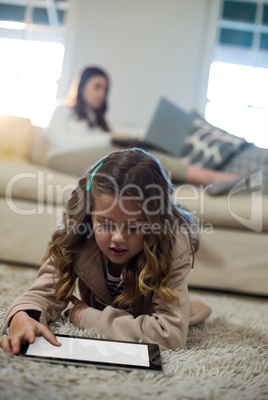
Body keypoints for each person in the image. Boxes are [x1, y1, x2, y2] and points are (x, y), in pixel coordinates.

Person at [0, 148, 211, 354]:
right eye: (106, 223)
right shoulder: (78, 235)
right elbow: (42, 293)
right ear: (89, 215)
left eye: (135, 227)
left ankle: (190, 308)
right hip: (121, 314)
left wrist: (86, 317)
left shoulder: (172, 247)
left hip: (146, 314)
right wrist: (22, 316)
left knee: (182, 313)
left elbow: (170, 336)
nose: (118, 238)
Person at [45, 65, 242, 187]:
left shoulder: (99, 123)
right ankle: (210, 178)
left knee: (143, 157)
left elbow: (116, 136)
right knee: (143, 158)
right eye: (97, 86)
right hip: (60, 158)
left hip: (95, 155)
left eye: (105, 89)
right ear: (82, 86)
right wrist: (110, 138)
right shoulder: (63, 110)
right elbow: (60, 141)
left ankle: (205, 179)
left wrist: (142, 135)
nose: (102, 94)